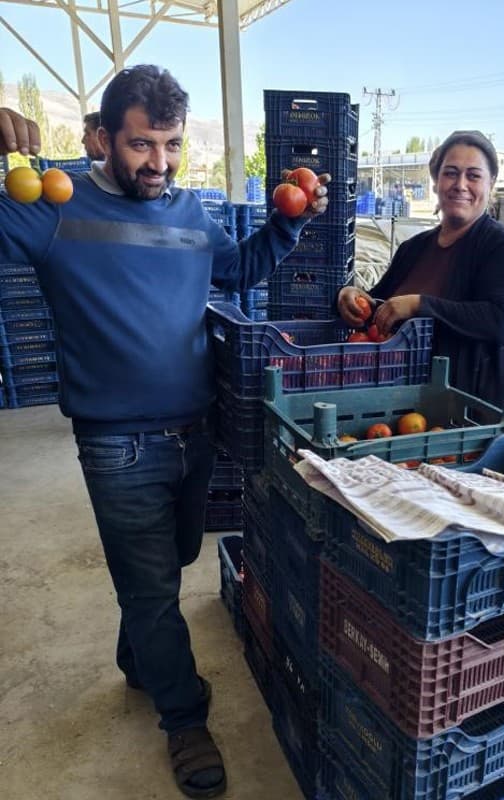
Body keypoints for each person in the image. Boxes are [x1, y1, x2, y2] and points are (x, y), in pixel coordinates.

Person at [0, 64, 328, 799]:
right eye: (143, 144)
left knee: (171, 561)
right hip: (117, 444)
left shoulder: (186, 212)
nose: (160, 162)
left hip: (193, 430)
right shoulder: (54, 209)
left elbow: (238, 269)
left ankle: (138, 656)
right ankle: (184, 719)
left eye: (172, 144)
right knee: (152, 589)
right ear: (100, 138)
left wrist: (291, 220)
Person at [337, 129, 504, 435]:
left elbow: (497, 319)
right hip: (415, 414)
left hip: (481, 414)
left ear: (491, 185)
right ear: (436, 182)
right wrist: (350, 296)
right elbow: (378, 305)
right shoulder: (414, 248)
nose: (460, 185)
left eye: (473, 176)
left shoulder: (503, 248)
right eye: (451, 173)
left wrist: (420, 304)